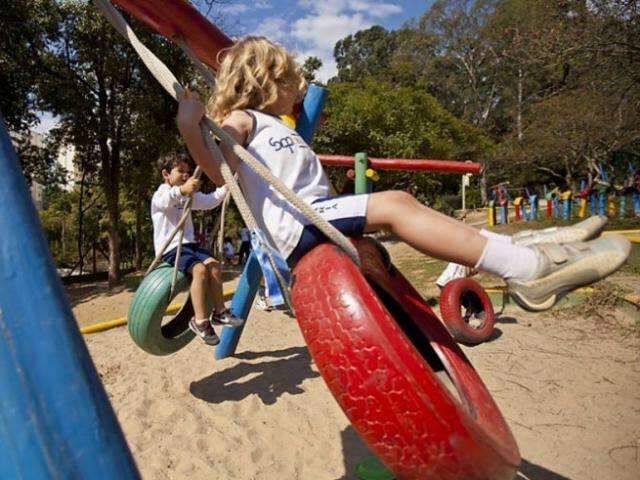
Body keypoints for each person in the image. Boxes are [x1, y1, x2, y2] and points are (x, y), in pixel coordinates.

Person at [176, 36, 631, 312]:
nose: (299, 88)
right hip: (298, 227)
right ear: (264, 80)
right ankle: (527, 270)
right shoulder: (245, 120)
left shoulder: (282, 127)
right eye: (291, 80)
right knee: (396, 203)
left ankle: (525, 246)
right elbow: (221, 174)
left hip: (315, 219)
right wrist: (188, 127)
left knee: (398, 210)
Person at [152, 153, 243, 346]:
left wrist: (228, 186)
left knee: (214, 266)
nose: (186, 175)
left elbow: (211, 201)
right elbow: (164, 201)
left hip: (190, 245)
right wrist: (182, 191)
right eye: (180, 171)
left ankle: (219, 312)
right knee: (199, 271)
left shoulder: (190, 196)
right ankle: (200, 321)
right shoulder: (161, 193)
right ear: (166, 174)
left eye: (187, 171)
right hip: (171, 248)